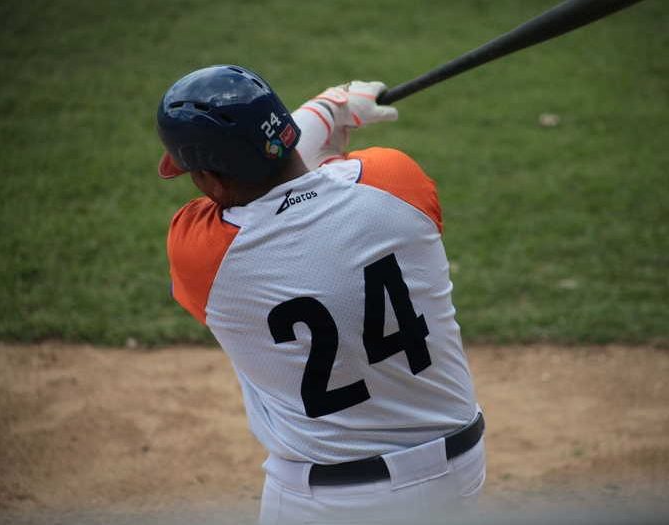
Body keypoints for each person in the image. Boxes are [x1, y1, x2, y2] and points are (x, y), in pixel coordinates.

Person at [156, 64, 485, 524]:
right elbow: (308, 169)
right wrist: (332, 109)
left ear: (209, 180)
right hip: (461, 469)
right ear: (283, 130)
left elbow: (273, 184)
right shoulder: (396, 182)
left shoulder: (204, 257)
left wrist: (328, 110)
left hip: (334, 504)